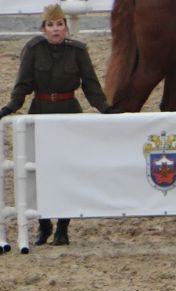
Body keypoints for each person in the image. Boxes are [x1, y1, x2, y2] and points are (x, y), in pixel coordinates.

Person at [2, 5, 109, 247]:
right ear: (43, 28)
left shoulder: (78, 51)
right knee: (37, 171)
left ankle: (62, 227)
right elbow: (23, 84)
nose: (55, 29)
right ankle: (43, 224)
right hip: (39, 112)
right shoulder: (33, 49)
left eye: (59, 24)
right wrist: (10, 107)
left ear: (66, 27)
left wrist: (106, 109)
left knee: (66, 170)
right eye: (50, 25)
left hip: (68, 113)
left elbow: (91, 86)